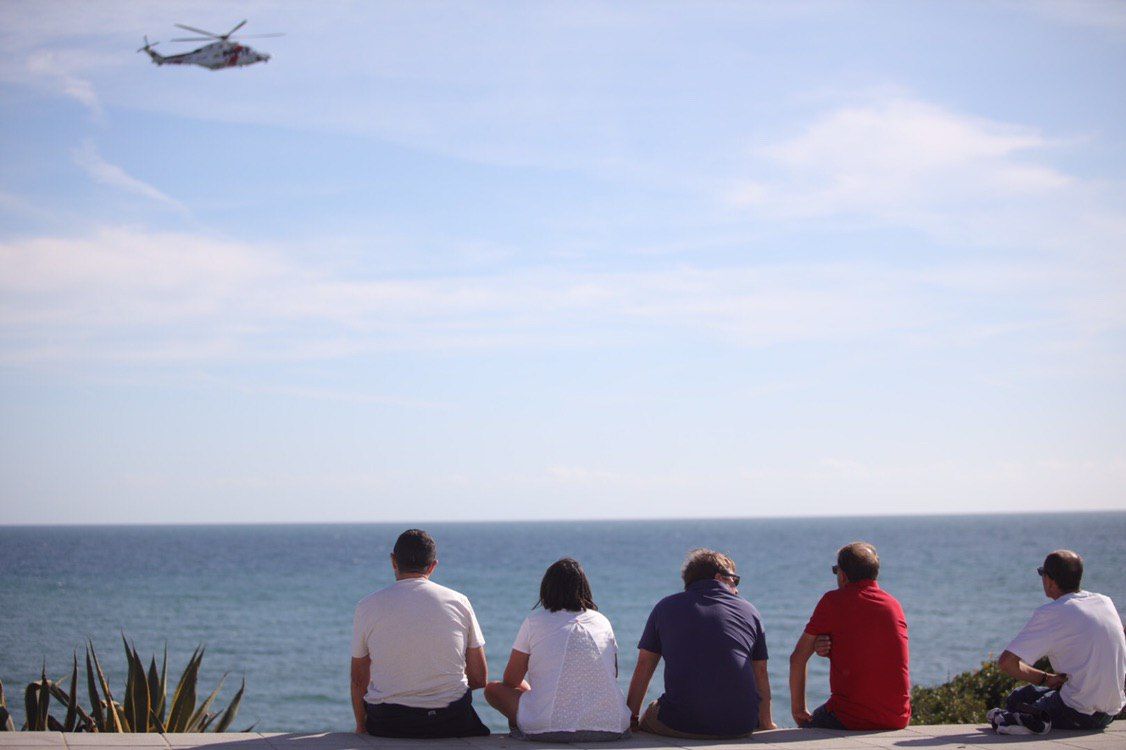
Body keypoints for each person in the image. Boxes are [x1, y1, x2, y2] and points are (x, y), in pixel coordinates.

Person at [350, 528, 491, 738]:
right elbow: (479, 678)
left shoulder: (367, 606)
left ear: (393, 561)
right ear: (433, 565)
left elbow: (358, 681)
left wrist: (361, 727)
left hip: (388, 723)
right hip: (451, 721)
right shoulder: (459, 602)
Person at [626, 548, 775, 738]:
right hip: (741, 725)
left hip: (681, 723)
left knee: (650, 712)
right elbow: (760, 671)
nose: (737, 588)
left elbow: (645, 664)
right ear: (719, 577)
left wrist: (631, 719)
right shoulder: (750, 610)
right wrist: (766, 723)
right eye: (734, 580)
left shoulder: (665, 607)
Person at [484, 558, 631, 742]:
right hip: (612, 725)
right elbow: (613, 673)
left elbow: (511, 680)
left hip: (548, 726)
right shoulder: (602, 621)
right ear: (584, 588)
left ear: (547, 589)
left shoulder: (535, 621)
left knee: (492, 689)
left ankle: (523, 727)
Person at [987, 549, 1126, 735]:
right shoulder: (1104, 602)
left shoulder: (1053, 612)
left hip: (1078, 713)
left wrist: (1044, 678)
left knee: (1016, 700)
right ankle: (1031, 717)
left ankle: (1035, 719)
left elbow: (1007, 663)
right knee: (1027, 694)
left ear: (1050, 580)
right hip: (1110, 712)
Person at [789, 542, 911, 730]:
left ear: (843, 575)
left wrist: (798, 711)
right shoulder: (893, 605)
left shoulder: (833, 602)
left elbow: (797, 658)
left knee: (810, 723)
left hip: (850, 717)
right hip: (897, 718)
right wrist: (827, 646)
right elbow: (868, 647)